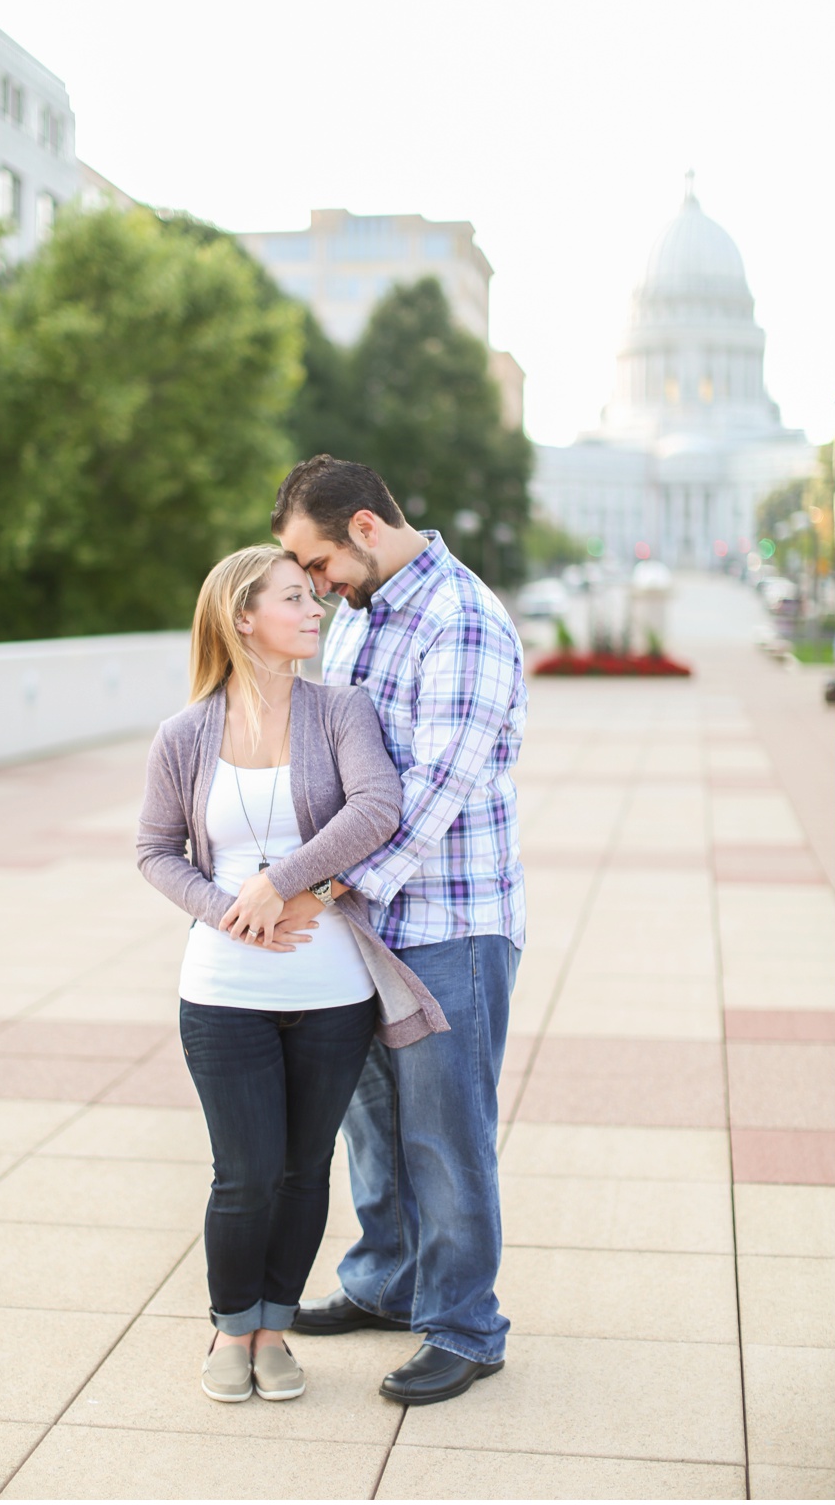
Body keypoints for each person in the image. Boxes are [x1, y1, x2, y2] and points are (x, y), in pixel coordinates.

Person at [137, 544, 448, 1405]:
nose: (317, 608)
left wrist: (289, 883)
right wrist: (227, 907)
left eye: (315, 596)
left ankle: (275, 1328)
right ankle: (231, 1327)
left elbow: (377, 807)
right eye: (294, 598)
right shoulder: (185, 734)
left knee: (306, 1169)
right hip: (224, 992)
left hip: (332, 995)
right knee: (243, 1173)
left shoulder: (340, 711)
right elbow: (153, 850)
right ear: (244, 616)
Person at [270, 453, 528, 1407]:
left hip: (450, 922)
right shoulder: (358, 617)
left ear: (366, 531)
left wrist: (323, 884)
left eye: (319, 564)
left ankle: (465, 1324)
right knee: (371, 1120)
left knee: (446, 1135)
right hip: (362, 918)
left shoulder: (461, 621)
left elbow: (432, 800)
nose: (314, 586)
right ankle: (386, 1280)